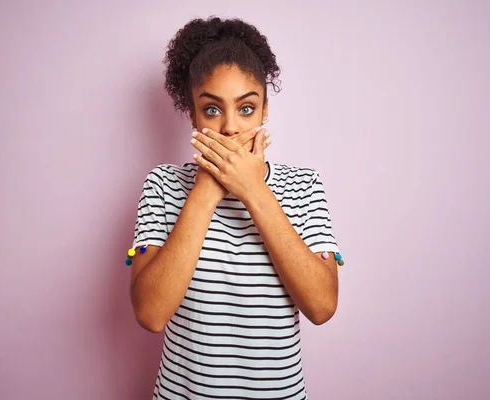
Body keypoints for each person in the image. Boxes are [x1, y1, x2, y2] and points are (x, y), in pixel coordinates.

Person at [128, 16, 342, 400]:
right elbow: (150, 313)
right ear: (192, 115)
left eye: (246, 108)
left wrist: (253, 191)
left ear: (264, 112)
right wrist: (206, 192)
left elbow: (322, 306)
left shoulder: (304, 186)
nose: (229, 128)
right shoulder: (161, 185)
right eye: (212, 110)